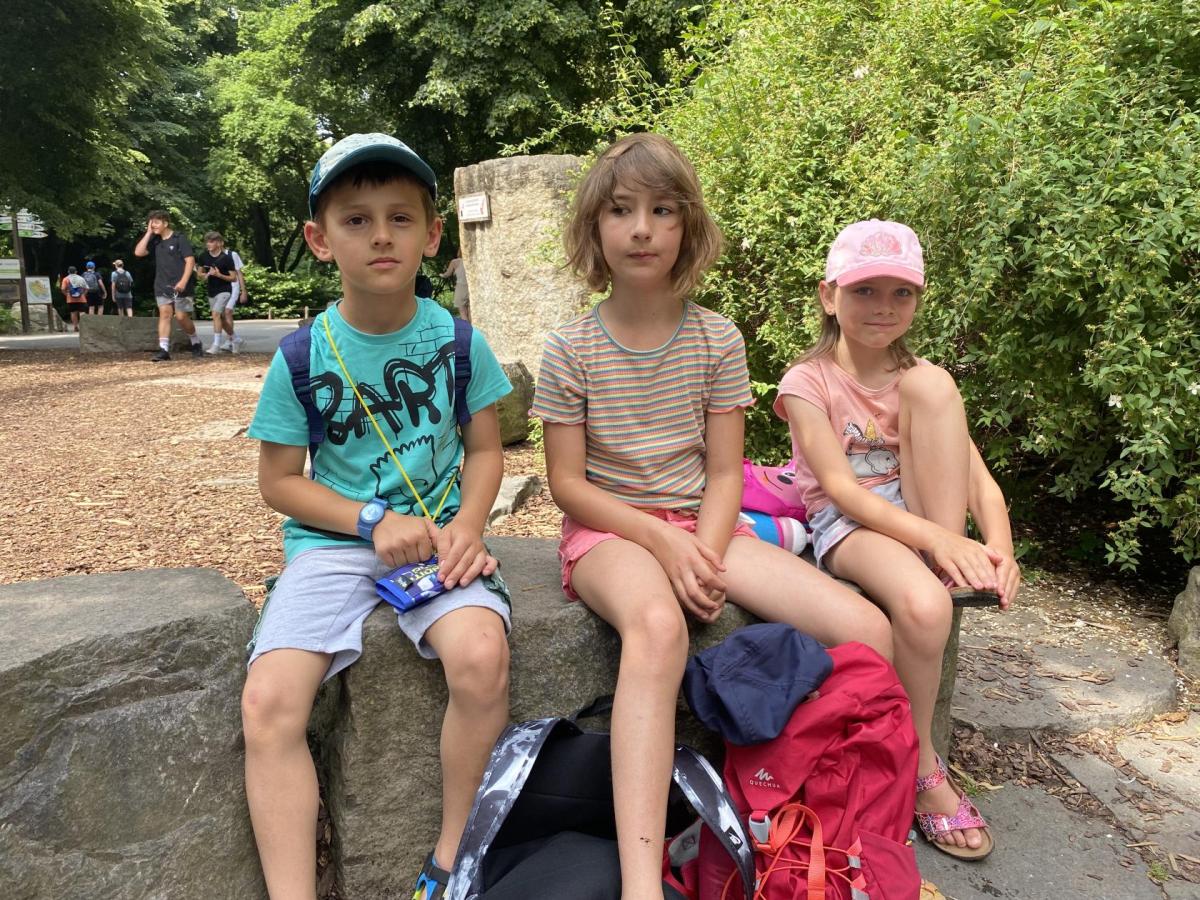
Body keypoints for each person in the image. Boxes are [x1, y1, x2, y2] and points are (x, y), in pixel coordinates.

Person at [530, 133, 894, 899]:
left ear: (687, 226)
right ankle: (640, 881)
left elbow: (726, 472)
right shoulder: (570, 349)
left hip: (702, 521)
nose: (642, 229)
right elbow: (566, 484)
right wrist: (663, 544)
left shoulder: (717, 337)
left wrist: (703, 546)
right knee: (658, 627)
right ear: (595, 226)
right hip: (610, 529)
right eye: (621, 211)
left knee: (867, 628)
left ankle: (824, 826)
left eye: (663, 211)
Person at [242, 132, 514, 900]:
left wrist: (469, 525)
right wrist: (369, 521)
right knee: (269, 702)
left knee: (481, 659)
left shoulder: (459, 343)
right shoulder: (302, 356)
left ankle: (451, 857)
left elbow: (485, 451)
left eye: (400, 218)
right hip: (333, 542)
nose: (381, 236)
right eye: (356, 220)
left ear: (432, 234)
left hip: (438, 538)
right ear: (319, 240)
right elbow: (280, 483)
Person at [775, 219, 1021, 861]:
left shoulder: (919, 379)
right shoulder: (808, 381)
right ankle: (921, 766)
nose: (883, 306)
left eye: (900, 292)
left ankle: (940, 565)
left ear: (917, 299)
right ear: (829, 295)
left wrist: (999, 548)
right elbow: (843, 490)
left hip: (922, 514)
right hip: (850, 523)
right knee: (924, 606)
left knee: (933, 382)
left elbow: (979, 480)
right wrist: (939, 541)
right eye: (864, 290)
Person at [133, 209, 202, 361]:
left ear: (165, 223)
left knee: (181, 317)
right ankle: (163, 350)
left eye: (156, 222)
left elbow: (190, 261)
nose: (153, 225)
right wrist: (148, 233)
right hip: (162, 284)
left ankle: (195, 341)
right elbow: (138, 252)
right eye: (151, 223)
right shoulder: (155, 240)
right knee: (165, 314)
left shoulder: (179, 238)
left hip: (181, 283)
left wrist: (183, 281)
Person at [196, 231, 244, 353]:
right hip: (212, 290)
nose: (208, 244)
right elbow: (199, 274)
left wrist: (219, 275)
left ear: (218, 243)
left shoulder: (227, 258)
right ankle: (236, 339)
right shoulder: (203, 256)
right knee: (220, 318)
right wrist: (205, 275)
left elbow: (233, 278)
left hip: (225, 290)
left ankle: (216, 345)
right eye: (207, 242)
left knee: (215, 314)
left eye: (211, 242)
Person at [223, 243, 248, 350]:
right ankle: (234, 338)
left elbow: (239, 273)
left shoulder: (232, 254)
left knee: (228, 311)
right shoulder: (210, 256)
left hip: (233, 286)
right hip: (220, 288)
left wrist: (243, 291)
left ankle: (230, 340)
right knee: (221, 314)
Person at [441, 254, 469, 321]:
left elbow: (447, 274)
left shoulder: (455, 262)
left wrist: (442, 275)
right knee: (470, 310)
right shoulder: (472, 260)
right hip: (471, 287)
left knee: (462, 311)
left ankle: (467, 326)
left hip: (460, 288)